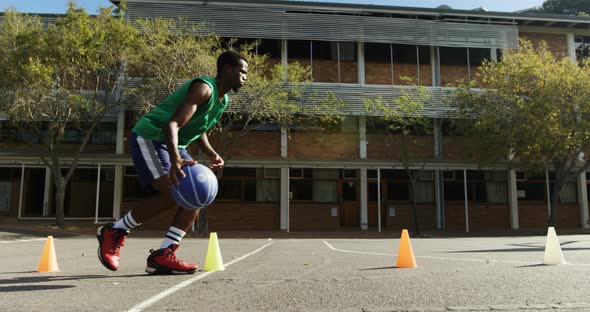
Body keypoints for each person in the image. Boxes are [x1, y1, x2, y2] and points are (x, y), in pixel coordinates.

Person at [97, 51, 248, 274]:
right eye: (242, 71)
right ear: (227, 69)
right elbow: (172, 125)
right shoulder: (204, 88)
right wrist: (176, 158)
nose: (245, 77)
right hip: (152, 136)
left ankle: (164, 254)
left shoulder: (222, 101)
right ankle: (115, 231)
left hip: (176, 145)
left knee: (198, 192)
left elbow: (199, 127)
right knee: (173, 190)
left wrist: (211, 152)